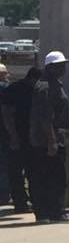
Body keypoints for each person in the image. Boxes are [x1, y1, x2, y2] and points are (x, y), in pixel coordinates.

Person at [27, 52, 69, 223]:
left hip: (54, 139)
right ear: (49, 67)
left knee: (48, 176)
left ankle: (46, 212)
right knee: (55, 177)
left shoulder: (54, 84)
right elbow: (45, 117)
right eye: (59, 66)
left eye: (63, 65)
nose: (63, 68)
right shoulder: (46, 87)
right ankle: (56, 212)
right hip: (49, 141)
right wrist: (52, 141)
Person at [0, 62, 27, 215]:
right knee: (7, 166)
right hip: (7, 133)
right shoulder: (6, 89)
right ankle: (4, 195)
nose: (8, 76)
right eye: (5, 73)